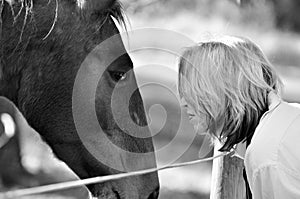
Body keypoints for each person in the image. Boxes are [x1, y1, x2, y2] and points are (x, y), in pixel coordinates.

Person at [178, 35, 300, 199]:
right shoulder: (285, 121)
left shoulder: (268, 155)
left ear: (224, 91)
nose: (183, 102)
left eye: (192, 90)